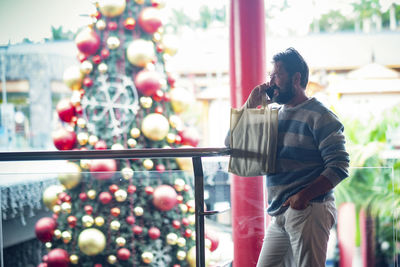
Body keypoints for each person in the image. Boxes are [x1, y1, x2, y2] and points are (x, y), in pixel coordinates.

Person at [228, 47, 350, 267]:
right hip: (280, 213)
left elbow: (340, 165)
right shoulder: (272, 115)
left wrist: (303, 196)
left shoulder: (321, 115)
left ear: (296, 78)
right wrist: (251, 104)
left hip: (310, 208)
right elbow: (233, 143)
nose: (271, 81)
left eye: (277, 75)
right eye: (270, 76)